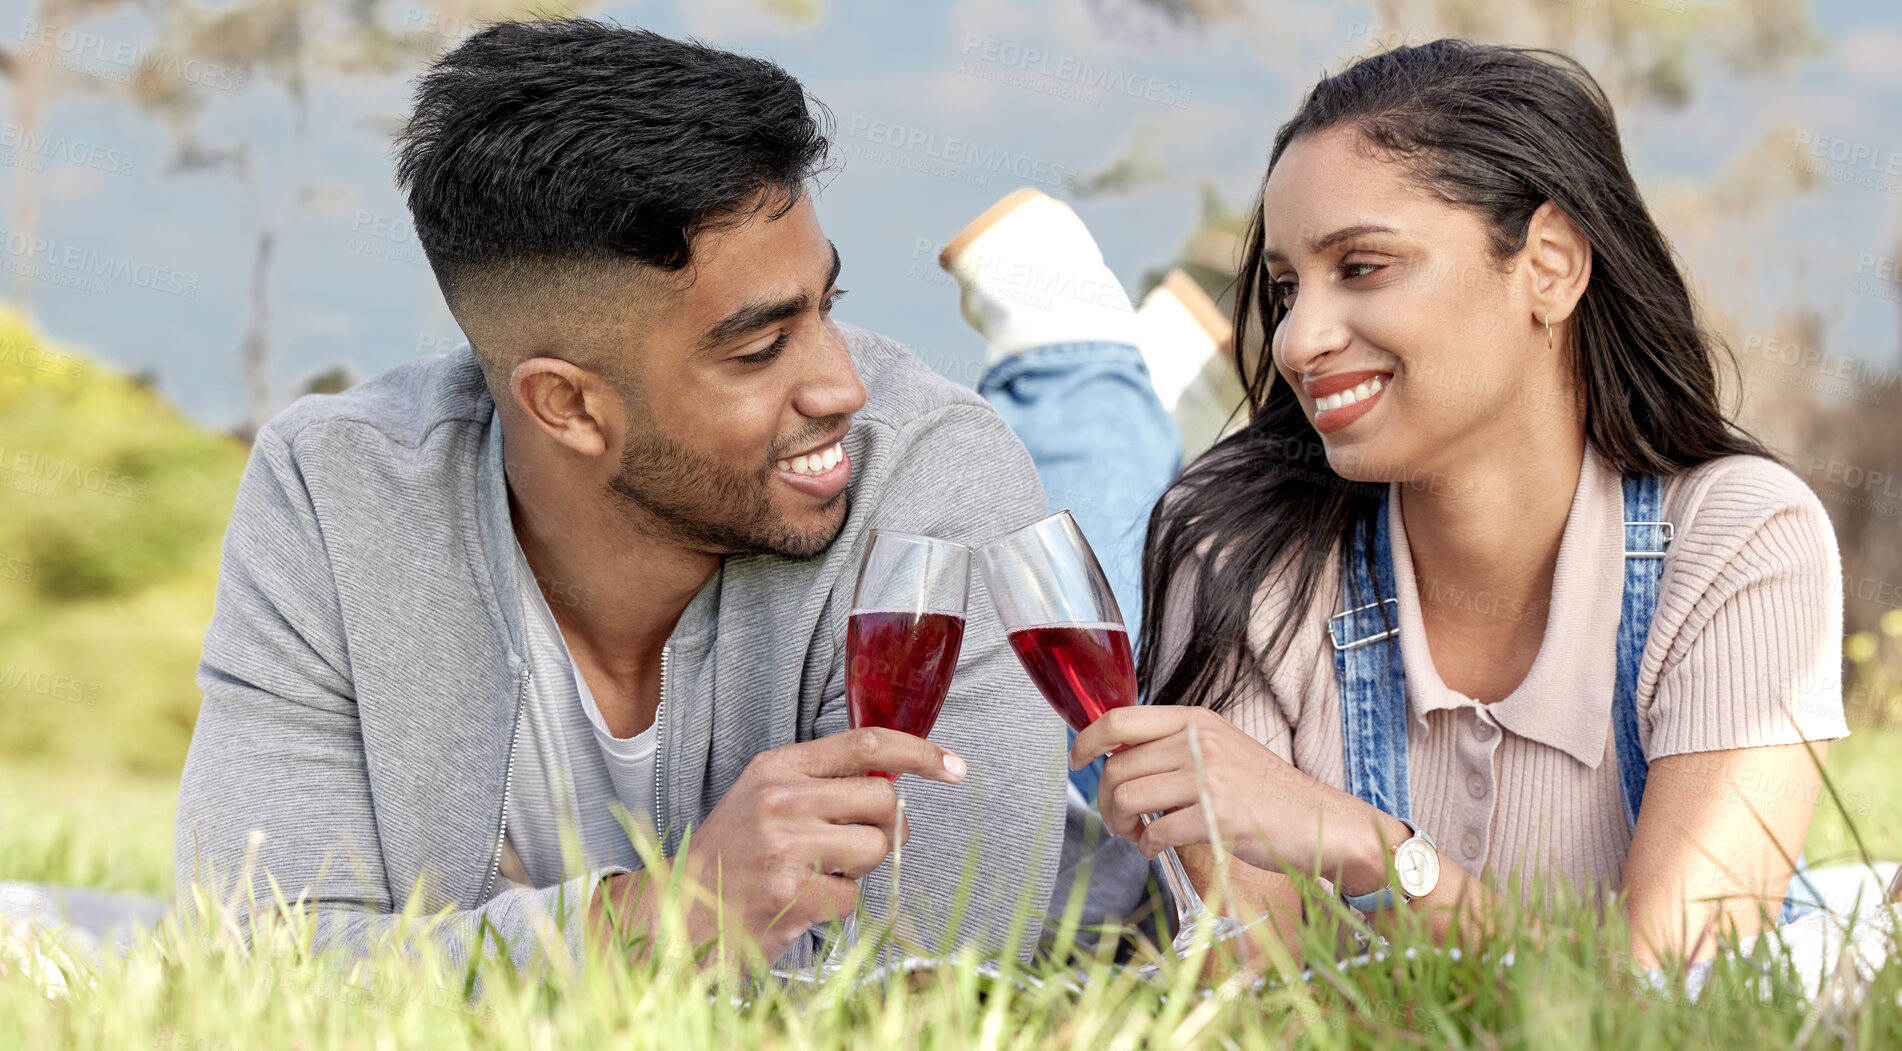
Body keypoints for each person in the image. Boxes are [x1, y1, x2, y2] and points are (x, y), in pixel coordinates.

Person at [171, 19, 1070, 974]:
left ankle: (1073, 358)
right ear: (565, 403)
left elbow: (933, 978)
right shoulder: (333, 493)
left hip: (1084, 837)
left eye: (827, 306)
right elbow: (261, 964)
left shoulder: (936, 474)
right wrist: (662, 912)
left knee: (1102, 510)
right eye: (760, 349)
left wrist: (467, 969)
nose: (841, 385)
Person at [1044, 40, 1862, 974]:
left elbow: (1667, 998)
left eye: (1362, 266)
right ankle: (1083, 369)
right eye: (1283, 288)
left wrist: (1367, 846)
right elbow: (1259, 994)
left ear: (1549, 263)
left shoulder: (1740, 541)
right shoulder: (1240, 541)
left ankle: (1083, 367)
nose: (1300, 339)